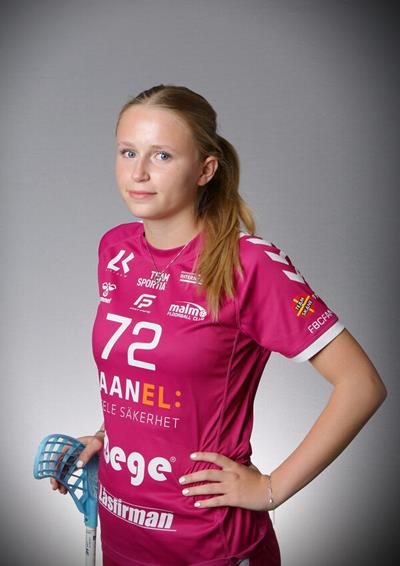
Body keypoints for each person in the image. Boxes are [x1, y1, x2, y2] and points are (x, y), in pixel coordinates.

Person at [50, 84, 387, 566]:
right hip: (121, 528)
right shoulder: (116, 248)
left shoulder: (248, 264)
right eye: (128, 152)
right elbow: (146, 376)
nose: (138, 173)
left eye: (162, 155)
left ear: (205, 169)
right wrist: (107, 436)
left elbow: (361, 384)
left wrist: (271, 488)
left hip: (209, 543)